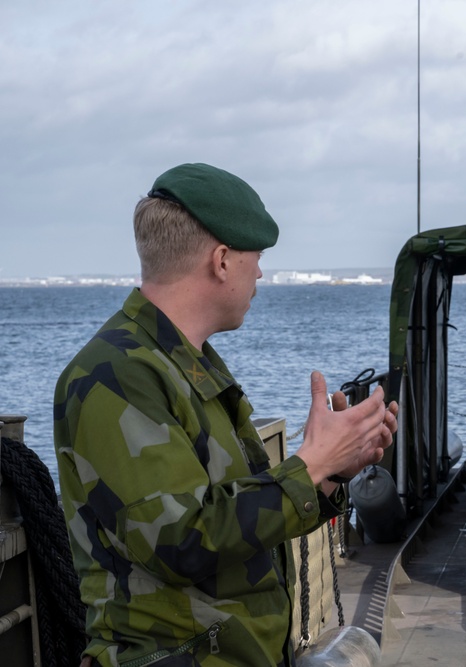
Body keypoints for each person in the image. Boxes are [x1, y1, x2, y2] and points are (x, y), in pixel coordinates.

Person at [54, 163, 398, 667]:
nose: (259, 272)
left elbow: (230, 513)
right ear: (221, 260)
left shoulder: (182, 362)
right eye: (255, 257)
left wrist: (330, 473)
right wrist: (310, 466)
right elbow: (179, 539)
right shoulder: (114, 376)